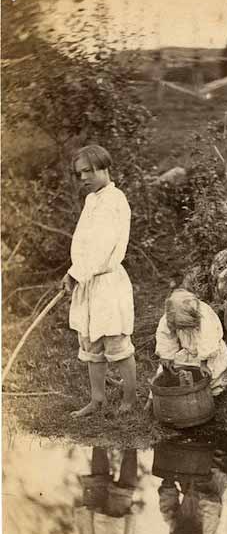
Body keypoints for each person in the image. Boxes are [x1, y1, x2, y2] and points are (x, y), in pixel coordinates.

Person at [60, 145, 137, 416]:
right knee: (90, 341)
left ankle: (129, 400)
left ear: (104, 168)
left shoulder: (114, 200)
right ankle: (97, 399)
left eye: (88, 171)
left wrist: (76, 273)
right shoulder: (93, 200)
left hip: (107, 282)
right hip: (88, 280)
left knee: (115, 342)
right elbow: (84, 244)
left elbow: (103, 248)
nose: (83, 178)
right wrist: (74, 270)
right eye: (79, 173)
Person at [67, 448, 140, 534]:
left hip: (97, 526)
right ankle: (131, 446)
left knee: (99, 482)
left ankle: (100, 439)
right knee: (121, 491)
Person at [153, 288, 227, 396]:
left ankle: (214, 393)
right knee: (168, 368)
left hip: (210, 353)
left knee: (213, 373)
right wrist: (166, 355)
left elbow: (208, 340)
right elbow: (166, 335)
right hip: (189, 352)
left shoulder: (204, 317)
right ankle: (159, 396)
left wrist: (203, 363)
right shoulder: (170, 315)